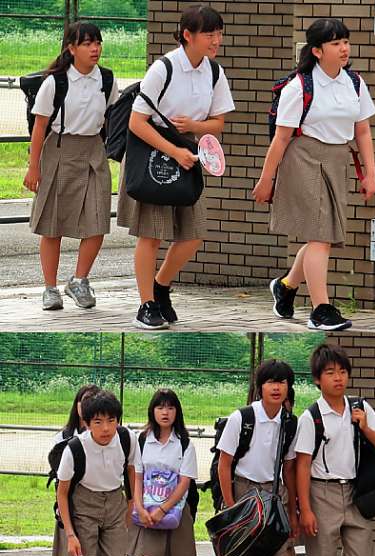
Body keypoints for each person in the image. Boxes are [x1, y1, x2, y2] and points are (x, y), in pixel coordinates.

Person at [252, 18, 375, 331]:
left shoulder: (354, 83)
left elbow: (362, 131)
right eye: (336, 43)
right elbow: (281, 139)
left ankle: (286, 286)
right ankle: (321, 310)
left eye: (345, 41)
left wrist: (370, 174)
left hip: (337, 161)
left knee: (324, 235)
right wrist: (267, 180)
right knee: (321, 236)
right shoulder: (299, 87)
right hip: (303, 159)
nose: (344, 48)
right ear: (317, 51)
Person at [117, 4, 235, 330]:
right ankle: (145, 305)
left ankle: (161, 286)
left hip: (188, 156)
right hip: (154, 154)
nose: (216, 40)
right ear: (187, 35)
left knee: (193, 234)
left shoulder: (214, 72)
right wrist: (173, 150)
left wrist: (195, 127)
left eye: (219, 33)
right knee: (151, 235)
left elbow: (219, 122)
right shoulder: (163, 68)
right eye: (209, 34)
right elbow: (136, 122)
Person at [295, 344, 375, 556]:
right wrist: (305, 509)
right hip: (320, 493)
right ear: (317, 379)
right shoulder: (311, 417)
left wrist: (365, 428)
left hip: (354, 493)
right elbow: (302, 465)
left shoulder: (360, 407)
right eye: (330, 372)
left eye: (342, 372)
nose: (338, 378)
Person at [23, 22, 119, 311]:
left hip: (94, 152)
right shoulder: (55, 82)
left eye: (98, 43)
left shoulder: (107, 79)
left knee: (98, 220)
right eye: (87, 43)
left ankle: (79, 280)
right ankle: (50, 288)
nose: (95, 49)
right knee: (52, 225)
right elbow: (39, 127)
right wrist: (33, 167)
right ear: (71, 48)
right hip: (59, 150)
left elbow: (114, 116)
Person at [215, 359, 299, 556]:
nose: (276, 387)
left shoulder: (290, 423)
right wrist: (231, 507)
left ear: (288, 387)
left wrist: (293, 512)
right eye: (270, 382)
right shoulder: (242, 418)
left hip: (274, 496)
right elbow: (224, 464)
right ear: (260, 386)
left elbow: (289, 469)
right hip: (242, 493)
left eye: (282, 382)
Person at [56, 390, 138, 556]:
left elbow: (131, 470)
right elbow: (62, 493)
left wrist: (131, 504)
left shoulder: (127, 439)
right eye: (98, 422)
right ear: (87, 423)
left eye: (111, 420)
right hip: (84, 505)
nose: (106, 428)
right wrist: (71, 535)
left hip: (115, 502)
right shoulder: (75, 448)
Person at [128, 389, 198, 556]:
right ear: (152, 411)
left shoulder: (185, 444)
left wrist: (163, 509)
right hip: (146, 511)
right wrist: (139, 506)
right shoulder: (142, 440)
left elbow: (185, 482)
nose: (165, 412)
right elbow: (137, 476)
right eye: (160, 407)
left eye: (170, 407)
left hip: (172, 512)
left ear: (177, 411)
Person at [50, 384, 100, 556]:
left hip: (97, 508)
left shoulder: (108, 436)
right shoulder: (64, 437)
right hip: (69, 507)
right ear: (77, 405)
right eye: (83, 400)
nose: (87, 404)